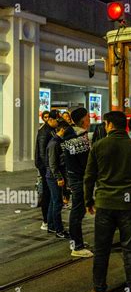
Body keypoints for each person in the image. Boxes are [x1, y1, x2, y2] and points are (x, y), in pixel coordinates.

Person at [84, 111, 131, 292]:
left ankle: (98, 290)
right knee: (130, 249)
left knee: (101, 249)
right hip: (127, 204)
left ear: (109, 125)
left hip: (104, 204)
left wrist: (89, 200)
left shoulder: (97, 146)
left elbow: (89, 177)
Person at [61, 107, 93, 258]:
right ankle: (77, 246)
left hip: (74, 177)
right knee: (77, 211)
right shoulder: (79, 138)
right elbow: (86, 164)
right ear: (83, 120)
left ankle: (76, 242)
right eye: (88, 117)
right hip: (79, 179)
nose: (90, 119)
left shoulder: (72, 135)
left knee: (78, 211)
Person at [35, 110, 60, 230]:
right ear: (51, 119)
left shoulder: (50, 130)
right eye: (57, 120)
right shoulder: (44, 132)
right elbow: (42, 154)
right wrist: (50, 169)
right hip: (46, 168)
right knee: (47, 194)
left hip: (48, 167)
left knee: (50, 194)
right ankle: (46, 220)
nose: (58, 123)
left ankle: (50, 221)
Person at [46, 119, 70, 239]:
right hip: (54, 176)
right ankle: (59, 230)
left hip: (54, 175)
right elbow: (53, 163)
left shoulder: (58, 141)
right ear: (63, 129)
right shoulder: (54, 143)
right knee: (57, 203)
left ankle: (51, 225)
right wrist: (59, 177)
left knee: (53, 201)